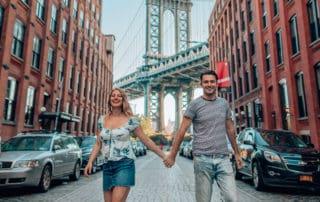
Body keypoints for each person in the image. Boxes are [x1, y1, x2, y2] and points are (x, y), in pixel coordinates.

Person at [164, 70, 243, 202]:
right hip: (202, 159)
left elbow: (230, 129)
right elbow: (182, 130)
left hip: (223, 158)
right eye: (206, 82)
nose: (209, 84)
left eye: (212, 81)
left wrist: (237, 153)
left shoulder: (223, 104)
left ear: (216, 83)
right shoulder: (194, 105)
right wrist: (172, 155)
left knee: (231, 198)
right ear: (201, 84)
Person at [84, 88, 166, 202]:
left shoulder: (131, 120)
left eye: (119, 96)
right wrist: (90, 162)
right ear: (109, 99)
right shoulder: (102, 120)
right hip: (107, 166)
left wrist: (164, 156)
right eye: (113, 95)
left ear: (123, 100)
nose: (116, 97)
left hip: (124, 165)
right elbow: (98, 143)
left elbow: (146, 140)